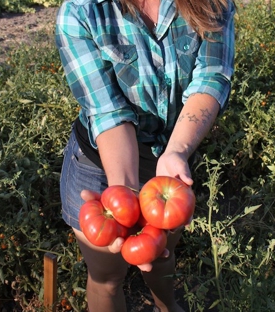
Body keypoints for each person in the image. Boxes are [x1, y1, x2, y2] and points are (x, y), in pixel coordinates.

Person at [55, 0, 235, 311]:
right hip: (101, 158)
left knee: (162, 260)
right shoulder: (81, 11)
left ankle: (167, 307)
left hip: (171, 155)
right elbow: (108, 112)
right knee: (106, 275)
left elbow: (212, 76)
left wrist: (176, 151)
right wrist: (122, 195)